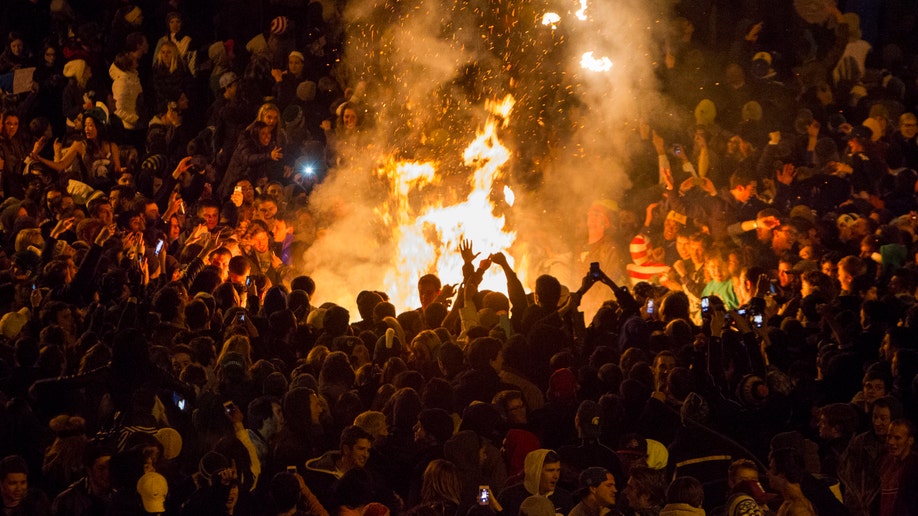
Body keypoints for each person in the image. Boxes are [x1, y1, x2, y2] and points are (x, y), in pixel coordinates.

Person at [498, 449, 574, 516]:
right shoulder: (509, 497)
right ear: (535, 471)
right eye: (550, 470)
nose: (556, 476)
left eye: (558, 470)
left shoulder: (564, 498)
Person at [878, 419, 918, 515]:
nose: (891, 442)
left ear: (910, 440)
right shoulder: (883, 463)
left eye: (897, 438)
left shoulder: (914, 466)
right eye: (889, 437)